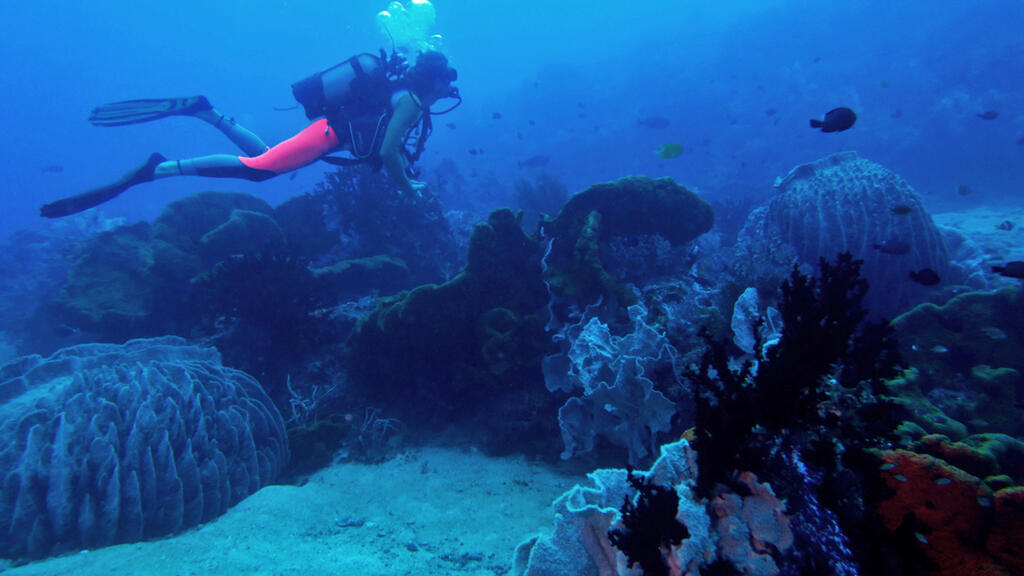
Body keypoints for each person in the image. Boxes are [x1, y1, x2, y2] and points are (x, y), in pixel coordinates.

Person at [40, 50, 459, 218]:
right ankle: (159, 169)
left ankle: (206, 113)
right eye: (448, 80)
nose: (451, 87)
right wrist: (407, 189)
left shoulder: (403, 93)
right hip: (329, 135)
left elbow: (387, 145)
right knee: (260, 170)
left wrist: (404, 174)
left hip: (329, 131)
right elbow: (387, 152)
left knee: (266, 160)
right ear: (434, 80)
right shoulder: (411, 101)